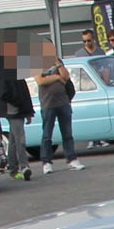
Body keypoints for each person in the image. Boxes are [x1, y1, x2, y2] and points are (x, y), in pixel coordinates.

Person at [34, 43, 82, 173]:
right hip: (48, 103)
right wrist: (56, 77)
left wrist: (57, 62)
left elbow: (66, 77)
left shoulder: (57, 61)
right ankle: (46, 162)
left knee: (67, 133)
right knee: (47, 134)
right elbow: (40, 81)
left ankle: (72, 159)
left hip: (63, 102)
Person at [0, 38, 34, 180]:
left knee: (14, 139)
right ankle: (24, 166)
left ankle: (13, 169)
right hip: (13, 109)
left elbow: (23, 91)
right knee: (20, 138)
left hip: (17, 108)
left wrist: (27, 110)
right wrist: (22, 106)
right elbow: (5, 93)